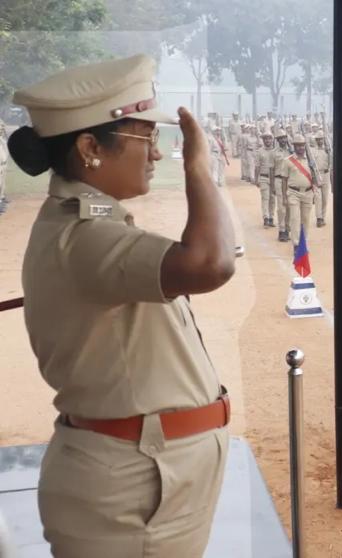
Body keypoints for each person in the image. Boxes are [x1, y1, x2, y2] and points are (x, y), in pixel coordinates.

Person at [9, 54, 236, 556]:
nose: (156, 154)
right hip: (132, 490)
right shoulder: (84, 235)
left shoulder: (87, 216)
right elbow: (210, 264)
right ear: (90, 147)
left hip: (143, 477)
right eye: (146, 138)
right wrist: (201, 166)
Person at [282, 135, 318, 247]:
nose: (300, 148)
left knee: (305, 219)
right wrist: (284, 196)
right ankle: (296, 244)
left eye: (302, 145)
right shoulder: (288, 161)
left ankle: (304, 242)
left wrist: (314, 169)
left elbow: (315, 179)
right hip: (293, 193)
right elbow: (284, 180)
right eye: (298, 145)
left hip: (308, 193)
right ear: (294, 146)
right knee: (295, 219)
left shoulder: (311, 161)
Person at [254, 129, 277, 227]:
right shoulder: (259, 152)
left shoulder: (276, 151)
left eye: (269, 139)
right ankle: (266, 218)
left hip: (274, 178)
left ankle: (271, 217)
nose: (267, 141)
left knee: (272, 199)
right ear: (263, 140)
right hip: (264, 177)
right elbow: (257, 167)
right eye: (265, 139)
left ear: (272, 140)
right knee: (265, 198)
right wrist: (256, 179)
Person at [312, 133, 331, 227]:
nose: (320, 141)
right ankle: (318, 218)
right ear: (316, 140)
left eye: (321, 139)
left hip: (326, 174)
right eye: (318, 139)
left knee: (325, 198)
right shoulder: (313, 151)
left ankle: (322, 217)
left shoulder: (327, 150)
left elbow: (332, 163)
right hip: (316, 174)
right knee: (317, 197)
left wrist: (329, 152)